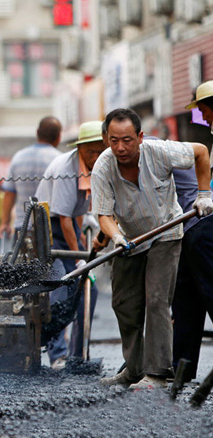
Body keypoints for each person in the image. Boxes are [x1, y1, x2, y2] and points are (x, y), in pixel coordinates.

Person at [92, 108, 213, 390]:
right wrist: (116, 237)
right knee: (124, 304)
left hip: (166, 233)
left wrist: (204, 193)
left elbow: (200, 152)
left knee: (157, 299)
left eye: (127, 140)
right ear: (106, 139)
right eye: (113, 140)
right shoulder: (103, 167)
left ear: (140, 137)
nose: (120, 147)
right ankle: (133, 370)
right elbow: (104, 216)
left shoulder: (159, 151)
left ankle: (157, 373)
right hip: (131, 239)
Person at [35, 121, 106, 370]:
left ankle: (76, 355)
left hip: (69, 227)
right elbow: (64, 219)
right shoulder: (67, 168)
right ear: (80, 149)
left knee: (89, 290)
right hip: (48, 230)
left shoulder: (97, 167)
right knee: (60, 288)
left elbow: (76, 212)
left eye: (100, 151)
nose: (96, 156)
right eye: (91, 151)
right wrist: (79, 259)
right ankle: (58, 355)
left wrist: (86, 218)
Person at [172, 80, 213, 382]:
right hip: (204, 223)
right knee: (186, 289)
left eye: (203, 110)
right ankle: (180, 365)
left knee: (198, 241)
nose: (202, 116)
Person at [0, 116, 62, 240]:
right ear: (59, 137)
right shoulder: (59, 161)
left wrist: (5, 223)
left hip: (23, 228)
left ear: (37, 133)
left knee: (21, 259)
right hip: (52, 228)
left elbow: (9, 194)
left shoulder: (18, 157)